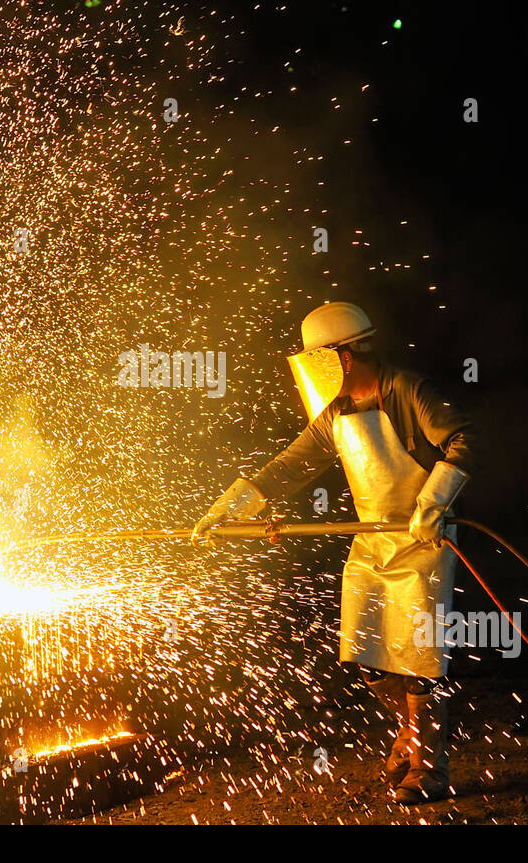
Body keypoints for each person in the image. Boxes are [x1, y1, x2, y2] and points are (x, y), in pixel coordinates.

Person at [191, 302, 478, 803]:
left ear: (342, 357)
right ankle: (409, 738)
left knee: (418, 662)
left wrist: (434, 502)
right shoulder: (337, 412)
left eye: (317, 360)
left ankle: (428, 769)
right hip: (371, 540)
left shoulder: (407, 391)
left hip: (423, 542)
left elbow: (464, 439)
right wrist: (229, 508)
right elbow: (289, 467)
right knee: (369, 656)